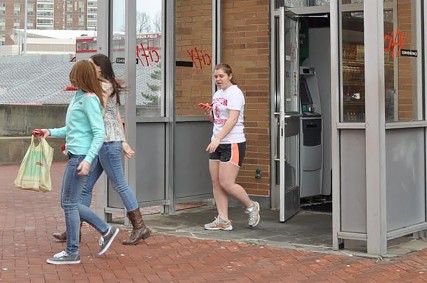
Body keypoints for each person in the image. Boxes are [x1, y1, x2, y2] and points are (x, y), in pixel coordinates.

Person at [52, 54, 150, 245]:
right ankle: (74, 229)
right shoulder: (102, 85)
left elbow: (103, 114)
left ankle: (140, 226)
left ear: (100, 68)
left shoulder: (102, 87)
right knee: (86, 187)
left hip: (106, 141)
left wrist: (121, 142)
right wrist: (124, 141)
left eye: (91, 65)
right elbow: (116, 117)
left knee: (119, 184)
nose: (88, 68)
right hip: (105, 141)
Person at [36, 60, 119, 265]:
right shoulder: (78, 96)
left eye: (74, 76)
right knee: (69, 203)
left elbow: (99, 133)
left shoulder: (90, 99)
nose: (71, 79)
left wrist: (88, 160)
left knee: (69, 203)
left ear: (82, 76)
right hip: (76, 155)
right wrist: (50, 132)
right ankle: (104, 231)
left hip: (81, 157)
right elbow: (71, 128)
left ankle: (74, 251)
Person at [203, 63, 260, 231]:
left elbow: (232, 120)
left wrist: (217, 139)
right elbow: (218, 120)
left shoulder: (236, 93)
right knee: (216, 183)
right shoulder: (217, 94)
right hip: (217, 142)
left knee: (227, 182)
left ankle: (252, 206)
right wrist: (209, 113)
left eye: (221, 76)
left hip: (233, 143)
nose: (218, 79)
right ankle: (223, 220)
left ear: (230, 76)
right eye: (216, 76)